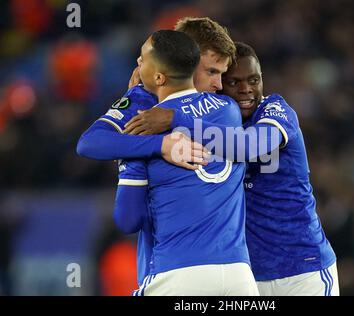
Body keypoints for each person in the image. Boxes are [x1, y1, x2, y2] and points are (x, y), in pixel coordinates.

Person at [125, 42, 340, 296]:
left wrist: (175, 119)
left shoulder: (275, 111)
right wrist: (141, 90)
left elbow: (247, 146)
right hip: (248, 277)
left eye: (254, 80)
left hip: (303, 270)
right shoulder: (205, 122)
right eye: (234, 82)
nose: (246, 89)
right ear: (217, 86)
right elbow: (146, 120)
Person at [76, 17, 238, 290]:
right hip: (225, 267)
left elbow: (127, 218)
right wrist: (160, 146)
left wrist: (169, 122)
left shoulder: (223, 108)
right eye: (211, 72)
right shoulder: (144, 98)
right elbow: (89, 143)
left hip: (173, 269)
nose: (219, 84)